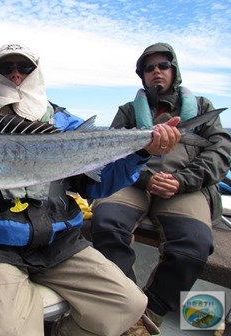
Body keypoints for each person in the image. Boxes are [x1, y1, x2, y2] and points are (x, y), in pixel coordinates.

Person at [0, 42, 181, 336]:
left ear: (36, 72)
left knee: (129, 304)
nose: (16, 75)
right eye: (5, 68)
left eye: (24, 67)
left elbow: (99, 185)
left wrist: (141, 152)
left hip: (59, 245)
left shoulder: (66, 125)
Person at [90, 42, 231, 334]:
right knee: (105, 223)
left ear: (174, 70)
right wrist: (144, 178)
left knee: (194, 244)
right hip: (135, 182)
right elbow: (113, 153)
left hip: (185, 187)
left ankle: (150, 310)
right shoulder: (128, 111)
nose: (156, 72)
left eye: (162, 66)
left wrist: (182, 180)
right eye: (148, 68)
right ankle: (127, 304)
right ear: (141, 75)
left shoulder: (202, 107)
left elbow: (220, 152)